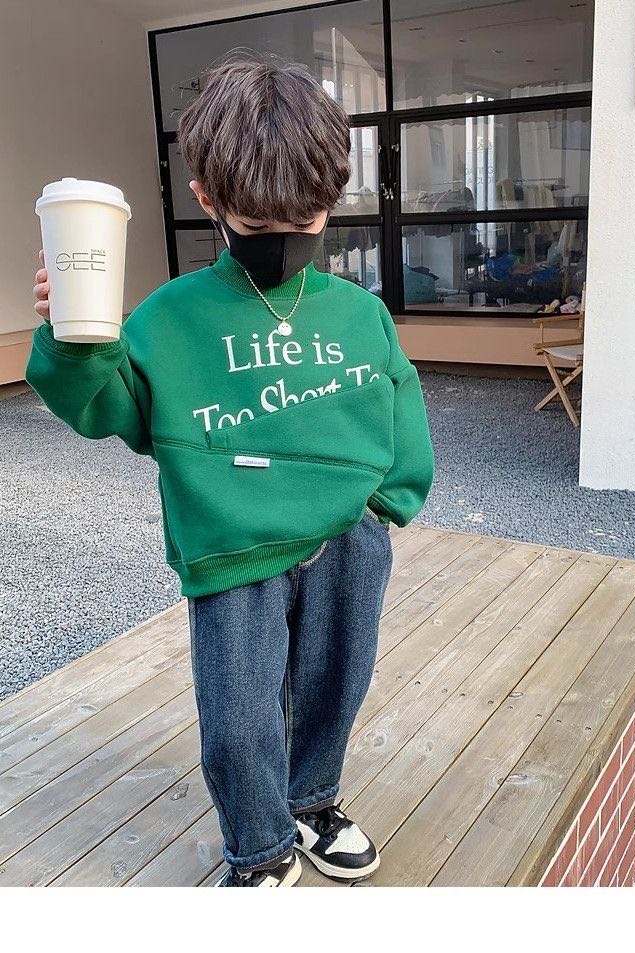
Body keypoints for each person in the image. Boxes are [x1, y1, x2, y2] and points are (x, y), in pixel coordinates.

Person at [26, 55, 435, 888]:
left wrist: (385, 505)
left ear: (334, 198)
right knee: (239, 721)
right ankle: (260, 844)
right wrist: (76, 340)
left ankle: (313, 800)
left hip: (347, 542)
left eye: (306, 216)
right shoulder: (169, 317)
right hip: (231, 550)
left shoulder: (360, 312)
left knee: (334, 687)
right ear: (207, 198)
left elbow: (398, 396)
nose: (283, 237)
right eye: (256, 218)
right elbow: (109, 409)